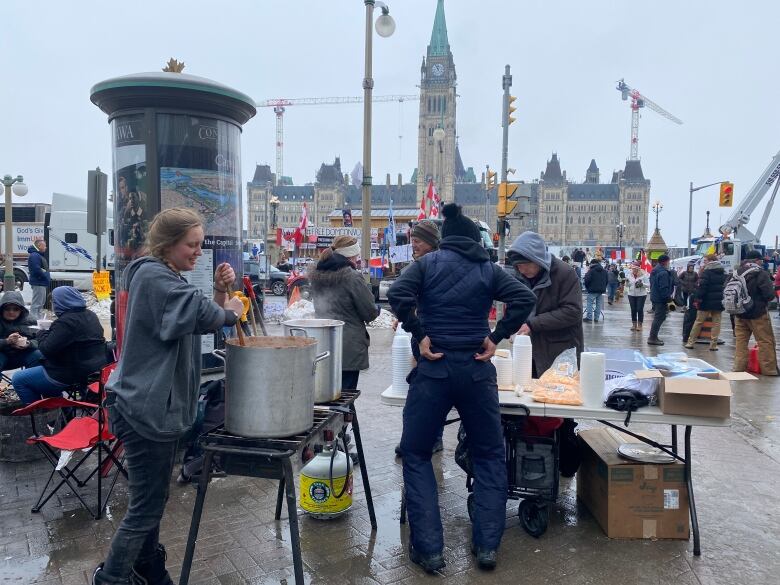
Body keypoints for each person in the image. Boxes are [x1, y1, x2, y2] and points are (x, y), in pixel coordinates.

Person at [93, 208, 244, 585]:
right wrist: (232, 311)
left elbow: (197, 314)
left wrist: (222, 291)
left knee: (153, 502)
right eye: (191, 245)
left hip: (145, 406)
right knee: (145, 507)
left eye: (200, 244)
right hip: (143, 409)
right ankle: (111, 579)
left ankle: (148, 570)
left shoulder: (161, 276)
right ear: (168, 244)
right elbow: (205, 312)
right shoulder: (156, 278)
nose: (197, 251)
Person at [388, 204, 535, 573]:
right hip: (476, 370)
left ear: (446, 239)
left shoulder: (428, 264)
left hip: (434, 369)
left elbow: (397, 294)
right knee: (488, 455)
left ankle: (430, 550)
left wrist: (419, 333)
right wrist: (496, 337)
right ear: (473, 240)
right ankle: (486, 547)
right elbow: (525, 299)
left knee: (417, 453)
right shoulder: (489, 269)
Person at [13, 287, 108, 405]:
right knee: (37, 362)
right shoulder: (90, 315)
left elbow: (46, 349)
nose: (53, 305)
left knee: (18, 379)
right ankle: (59, 408)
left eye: (54, 302)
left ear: (61, 302)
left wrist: (41, 332)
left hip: (69, 373)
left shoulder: (66, 322)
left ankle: (40, 414)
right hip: (93, 369)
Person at [394, 220, 441, 457]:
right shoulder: (420, 263)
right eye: (412, 241)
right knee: (423, 392)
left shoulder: (433, 265)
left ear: (431, 243)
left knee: (426, 394)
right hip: (421, 333)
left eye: (418, 241)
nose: (414, 245)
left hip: (431, 336)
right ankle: (422, 439)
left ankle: (424, 440)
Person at [506, 231, 583, 375]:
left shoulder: (564, 273)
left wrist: (532, 324)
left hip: (560, 352)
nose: (522, 270)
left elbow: (573, 311)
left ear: (538, 259)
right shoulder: (519, 276)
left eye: (525, 265)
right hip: (528, 352)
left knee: (556, 394)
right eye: (518, 266)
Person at [309, 235, 379, 391]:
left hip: (323, 344)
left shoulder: (317, 275)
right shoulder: (352, 276)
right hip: (348, 349)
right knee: (346, 398)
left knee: (328, 396)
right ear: (351, 255)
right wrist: (377, 308)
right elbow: (370, 312)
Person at [733, 251, 778, 376]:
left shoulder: (737, 272)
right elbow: (769, 295)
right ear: (757, 261)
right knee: (765, 341)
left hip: (740, 313)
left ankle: (739, 368)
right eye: (761, 260)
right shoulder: (760, 273)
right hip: (757, 313)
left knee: (741, 341)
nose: (762, 262)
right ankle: (769, 370)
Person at [684, 254, 726, 351]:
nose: (704, 262)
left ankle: (690, 342)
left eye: (706, 260)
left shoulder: (706, 273)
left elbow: (702, 288)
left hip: (705, 301)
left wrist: (697, 299)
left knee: (698, 322)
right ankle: (713, 345)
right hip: (718, 301)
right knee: (717, 323)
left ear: (711, 261)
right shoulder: (722, 272)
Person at [0, 291, 43, 375]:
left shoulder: (30, 321)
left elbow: (41, 340)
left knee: (39, 355)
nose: (11, 312)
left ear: (21, 310)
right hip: (2, 354)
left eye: (15, 309)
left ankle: (30, 384)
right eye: (7, 309)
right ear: (2, 309)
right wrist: (7, 341)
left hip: (23, 354)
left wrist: (28, 344)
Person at [647, 254, 674, 346]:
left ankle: (653, 337)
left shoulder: (655, 270)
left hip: (655, 297)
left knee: (658, 317)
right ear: (666, 262)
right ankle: (652, 338)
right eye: (668, 261)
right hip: (661, 299)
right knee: (659, 318)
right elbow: (664, 288)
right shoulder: (663, 273)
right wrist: (668, 300)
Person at [27, 239, 50, 320]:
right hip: (39, 282)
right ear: (39, 246)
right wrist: (45, 275)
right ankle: (33, 320)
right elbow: (36, 269)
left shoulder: (37, 255)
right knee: (37, 303)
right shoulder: (35, 255)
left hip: (41, 282)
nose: (46, 247)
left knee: (40, 303)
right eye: (44, 245)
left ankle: (38, 320)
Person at [625, 262, 649, 332]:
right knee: (633, 309)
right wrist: (627, 282)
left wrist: (642, 284)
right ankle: (634, 324)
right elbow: (627, 285)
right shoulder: (629, 275)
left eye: (635, 268)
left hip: (641, 295)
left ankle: (640, 325)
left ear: (638, 269)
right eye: (632, 268)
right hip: (631, 294)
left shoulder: (644, 275)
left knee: (639, 309)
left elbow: (648, 285)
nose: (633, 270)